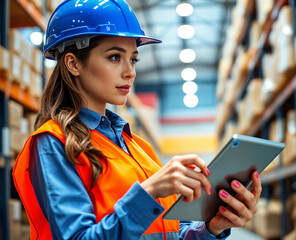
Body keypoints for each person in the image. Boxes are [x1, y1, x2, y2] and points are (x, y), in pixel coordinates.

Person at [13, 0, 262, 239]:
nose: (130, 71)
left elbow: (170, 234)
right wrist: (149, 192)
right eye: (114, 57)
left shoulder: (140, 148)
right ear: (73, 63)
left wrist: (211, 228)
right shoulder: (53, 143)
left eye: (133, 59)